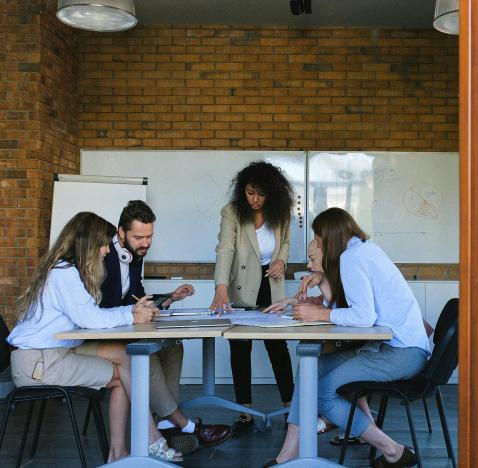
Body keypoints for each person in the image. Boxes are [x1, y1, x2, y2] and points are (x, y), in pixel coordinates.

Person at [7, 212, 182, 462]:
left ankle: (124, 450)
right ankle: (148, 441)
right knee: (123, 374)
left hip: (52, 352)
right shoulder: (64, 273)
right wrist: (133, 315)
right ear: (88, 244)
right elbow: (89, 320)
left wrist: (132, 311)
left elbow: (91, 314)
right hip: (39, 364)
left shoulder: (65, 269)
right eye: (103, 244)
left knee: (124, 359)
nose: (107, 250)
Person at [267, 207, 430, 468]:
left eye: (318, 239)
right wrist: (320, 302)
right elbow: (356, 308)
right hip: (397, 348)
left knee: (322, 394)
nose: (317, 244)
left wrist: (319, 315)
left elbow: (363, 316)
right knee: (311, 368)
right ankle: (288, 456)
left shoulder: (353, 258)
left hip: (401, 354)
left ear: (330, 237)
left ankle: (392, 450)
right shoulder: (364, 250)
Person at [100, 200, 231, 451]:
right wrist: (134, 312)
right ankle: (184, 424)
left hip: (126, 326)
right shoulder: (104, 258)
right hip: (105, 334)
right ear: (120, 233)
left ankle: (165, 423)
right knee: (147, 354)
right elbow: (102, 308)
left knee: (172, 346)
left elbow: (138, 297)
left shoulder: (134, 255)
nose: (145, 243)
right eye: (139, 237)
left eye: (149, 236)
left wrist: (169, 298)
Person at [210, 161, 295, 431]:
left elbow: (285, 243)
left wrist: (281, 260)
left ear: (272, 193)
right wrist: (220, 286)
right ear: (242, 191)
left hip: (271, 283)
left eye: (261, 193)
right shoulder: (232, 212)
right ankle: (243, 410)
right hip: (242, 284)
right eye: (250, 193)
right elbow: (225, 249)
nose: (256, 199)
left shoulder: (281, 212)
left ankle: (291, 407)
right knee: (240, 346)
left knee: (278, 348)